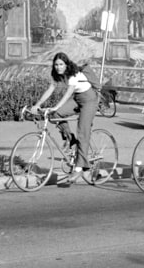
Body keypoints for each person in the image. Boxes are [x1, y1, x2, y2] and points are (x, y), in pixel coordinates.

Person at [29, 52, 98, 184]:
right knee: (54, 115)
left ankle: (79, 168)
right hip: (77, 98)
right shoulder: (56, 75)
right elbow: (50, 90)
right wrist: (37, 105)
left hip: (89, 99)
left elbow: (68, 93)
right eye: (56, 64)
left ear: (66, 64)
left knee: (83, 133)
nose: (58, 67)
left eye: (61, 64)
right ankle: (71, 139)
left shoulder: (73, 73)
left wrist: (55, 106)